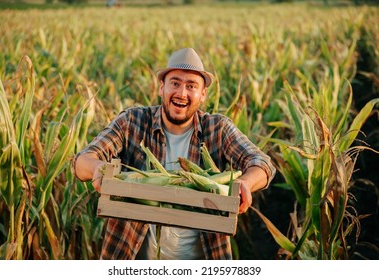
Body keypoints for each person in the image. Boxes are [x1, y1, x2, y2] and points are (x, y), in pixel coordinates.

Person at [72, 48, 276, 260]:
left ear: (203, 94)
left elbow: (262, 163)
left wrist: (246, 182)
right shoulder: (132, 122)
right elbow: (82, 160)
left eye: (191, 86)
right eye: (175, 83)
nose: (181, 93)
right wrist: (96, 168)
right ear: (162, 87)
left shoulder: (217, 129)